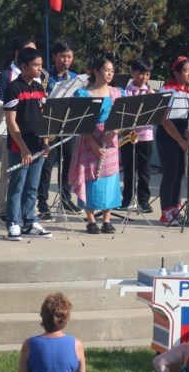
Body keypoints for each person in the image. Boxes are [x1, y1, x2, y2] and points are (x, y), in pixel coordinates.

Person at [67, 57, 124, 234]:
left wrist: (115, 131)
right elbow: (80, 123)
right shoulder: (83, 93)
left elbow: (124, 119)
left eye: (112, 70)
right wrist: (92, 143)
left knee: (110, 180)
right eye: (106, 69)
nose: (110, 73)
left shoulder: (117, 92)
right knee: (90, 180)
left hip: (111, 141)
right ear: (96, 71)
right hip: (89, 140)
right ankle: (91, 219)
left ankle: (107, 219)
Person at [4, 47, 52, 241]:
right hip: (19, 146)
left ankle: (30, 221)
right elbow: (11, 121)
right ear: (24, 67)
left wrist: (46, 141)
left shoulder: (40, 88)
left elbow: (43, 116)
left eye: (41, 65)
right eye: (36, 65)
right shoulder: (13, 88)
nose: (40, 69)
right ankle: (13, 222)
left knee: (32, 186)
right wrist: (23, 147)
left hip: (38, 144)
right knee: (17, 185)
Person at [0, 36, 38, 221]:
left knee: (30, 178)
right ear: (19, 54)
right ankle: (5, 209)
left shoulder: (37, 76)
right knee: (9, 172)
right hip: (10, 132)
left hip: (31, 134)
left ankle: (26, 212)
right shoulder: (5, 76)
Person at [37, 41, 81, 219]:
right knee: (46, 167)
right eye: (62, 56)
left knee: (70, 164)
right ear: (54, 57)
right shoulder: (44, 77)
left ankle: (65, 198)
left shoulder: (75, 78)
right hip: (50, 126)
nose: (66, 60)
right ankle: (43, 204)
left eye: (69, 57)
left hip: (69, 125)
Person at [157, 56, 189, 224]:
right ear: (176, 73)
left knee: (179, 174)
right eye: (186, 71)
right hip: (168, 137)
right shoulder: (168, 90)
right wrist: (180, 140)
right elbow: (165, 120)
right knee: (170, 174)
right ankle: (166, 211)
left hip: (182, 136)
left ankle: (175, 207)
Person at [120, 57, 156, 214]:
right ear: (132, 72)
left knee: (144, 170)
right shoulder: (125, 91)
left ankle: (143, 200)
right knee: (128, 169)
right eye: (141, 74)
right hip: (128, 136)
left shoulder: (151, 92)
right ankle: (127, 199)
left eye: (147, 75)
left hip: (145, 136)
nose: (144, 78)